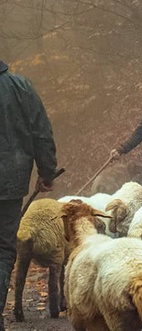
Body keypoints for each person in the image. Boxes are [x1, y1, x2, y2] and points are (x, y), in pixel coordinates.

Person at [0, 59, 57, 331]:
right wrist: (47, 172)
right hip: (9, 183)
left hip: (9, 183)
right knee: (2, 249)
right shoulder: (19, 86)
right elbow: (40, 131)